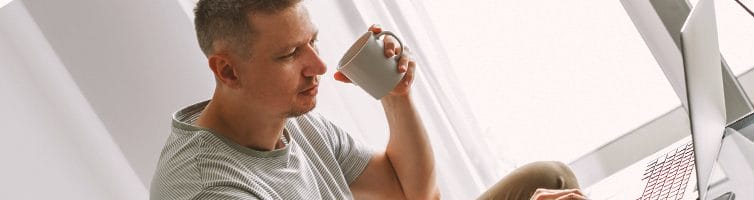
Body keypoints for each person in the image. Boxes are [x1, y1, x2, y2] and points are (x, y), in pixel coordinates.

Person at [150, 0, 585, 199]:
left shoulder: (291, 119)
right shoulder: (209, 189)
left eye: (312, 42)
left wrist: (397, 97)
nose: (318, 66)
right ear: (227, 71)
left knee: (550, 176)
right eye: (289, 55)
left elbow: (413, 192)